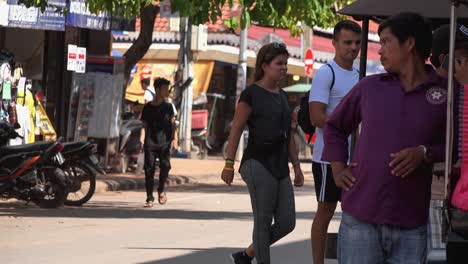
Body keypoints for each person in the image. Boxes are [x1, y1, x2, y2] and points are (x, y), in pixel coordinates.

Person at [322, 13, 449, 263]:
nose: (379, 51)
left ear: (409, 44)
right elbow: (334, 126)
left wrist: (425, 153)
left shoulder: (445, 92)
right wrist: (338, 169)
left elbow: (458, 146)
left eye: (386, 42)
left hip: (411, 221)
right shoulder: (370, 87)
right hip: (361, 217)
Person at [221, 42, 305, 264]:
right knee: (263, 221)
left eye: (286, 64)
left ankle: (246, 255)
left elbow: (289, 134)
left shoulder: (284, 96)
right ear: (265, 66)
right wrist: (229, 163)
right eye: (279, 64)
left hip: (280, 166)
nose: (284, 68)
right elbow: (237, 128)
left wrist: (297, 166)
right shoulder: (251, 94)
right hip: (257, 163)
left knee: (287, 222)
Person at [307, 20, 361, 264]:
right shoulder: (325, 73)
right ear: (335, 43)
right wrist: (346, 126)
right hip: (327, 158)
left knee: (354, 214)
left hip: (356, 158)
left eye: (357, 43)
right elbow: (316, 116)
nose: (353, 47)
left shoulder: (361, 76)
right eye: (347, 42)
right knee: (326, 211)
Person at [140, 77, 177, 207]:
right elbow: (144, 125)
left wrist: (174, 140)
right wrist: (142, 139)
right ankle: (149, 197)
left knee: (165, 166)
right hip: (150, 142)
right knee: (149, 169)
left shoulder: (168, 107)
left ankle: (161, 189)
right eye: (165, 89)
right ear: (158, 90)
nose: (167, 91)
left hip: (165, 143)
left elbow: (173, 124)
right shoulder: (147, 107)